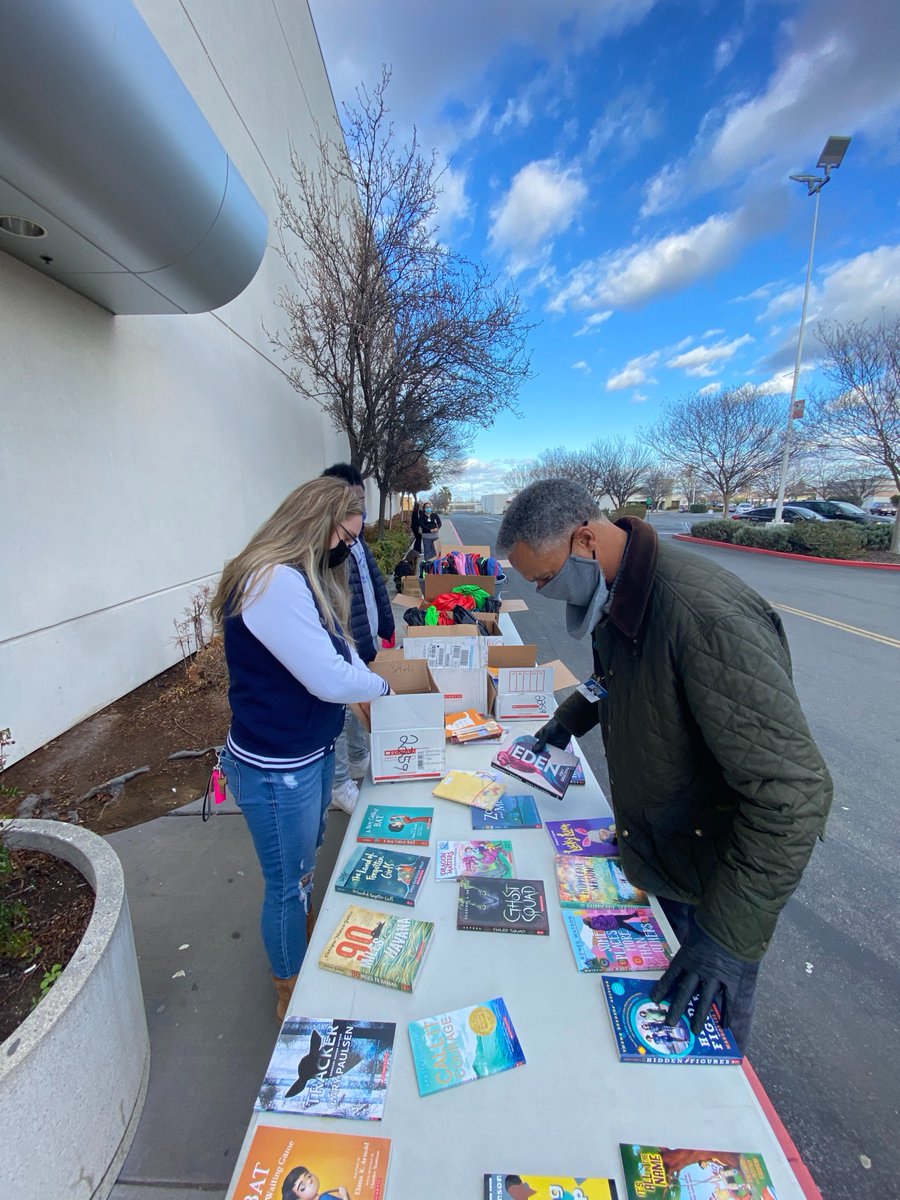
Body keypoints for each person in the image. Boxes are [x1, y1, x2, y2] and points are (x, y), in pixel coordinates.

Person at [497, 478, 833, 1049]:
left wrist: (724, 938)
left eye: (546, 579)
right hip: (659, 851)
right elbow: (613, 678)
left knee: (698, 1045)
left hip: (713, 889)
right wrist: (565, 722)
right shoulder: (621, 589)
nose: (542, 592)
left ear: (585, 541)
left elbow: (791, 795)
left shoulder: (704, 619)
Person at [211, 476, 391, 1021]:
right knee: (289, 884)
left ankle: (300, 941)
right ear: (317, 521)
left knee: (304, 869)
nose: (349, 549)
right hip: (276, 768)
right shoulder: (272, 582)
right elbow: (327, 677)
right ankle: (290, 986)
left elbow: (343, 652)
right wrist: (383, 691)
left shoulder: (303, 577)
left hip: (307, 754)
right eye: (346, 537)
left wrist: (371, 685)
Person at [321, 463, 395, 813]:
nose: (361, 511)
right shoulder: (326, 554)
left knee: (360, 707)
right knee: (343, 713)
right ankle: (339, 782)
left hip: (362, 639)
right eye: (354, 501)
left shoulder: (354, 537)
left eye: (363, 502)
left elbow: (374, 582)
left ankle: (359, 757)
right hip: (344, 641)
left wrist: (387, 625)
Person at [281, 1165, 348, 1200]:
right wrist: (344, 1195)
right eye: (302, 1187)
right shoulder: (324, 1198)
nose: (309, 1181)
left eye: (309, 1176)